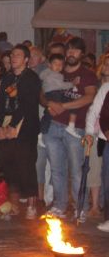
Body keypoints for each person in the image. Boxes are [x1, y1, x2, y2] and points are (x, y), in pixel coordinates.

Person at [42, 37, 98, 221]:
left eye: (75, 50)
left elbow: (89, 97)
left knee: (76, 170)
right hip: (53, 126)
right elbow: (41, 91)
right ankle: (60, 205)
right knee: (57, 169)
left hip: (76, 128)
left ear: (82, 53)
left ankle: (80, 207)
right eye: (69, 50)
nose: (71, 53)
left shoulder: (87, 74)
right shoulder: (57, 69)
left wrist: (63, 106)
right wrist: (49, 102)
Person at [0, 45, 41, 220]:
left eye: (18, 55)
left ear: (26, 59)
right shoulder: (7, 78)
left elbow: (27, 104)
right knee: (9, 165)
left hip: (25, 128)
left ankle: (31, 206)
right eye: (12, 55)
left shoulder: (31, 78)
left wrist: (13, 125)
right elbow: (0, 102)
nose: (14, 57)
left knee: (26, 165)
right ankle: (13, 205)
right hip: (7, 125)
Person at [85, 54, 109, 231]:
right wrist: (88, 133)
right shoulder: (105, 88)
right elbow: (96, 112)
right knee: (106, 179)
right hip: (105, 138)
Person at [39, 54, 79, 138]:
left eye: (60, 64)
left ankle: (71, 126)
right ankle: (41, 132)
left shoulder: (49, 73)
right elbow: (60, 85)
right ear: (49, 65)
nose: (58, 66)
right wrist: (72, 84)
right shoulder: (52, 74)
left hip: (54, 93)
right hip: (53, 94)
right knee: (49, 114)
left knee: (73, 103)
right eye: (55, 64)